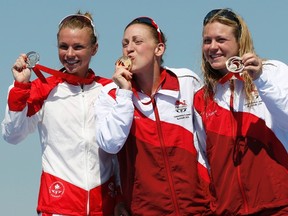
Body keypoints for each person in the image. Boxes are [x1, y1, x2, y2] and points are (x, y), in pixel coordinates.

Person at [2, 12, 118, 216]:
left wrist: (122, 197)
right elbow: (12, 135)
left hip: (105, 206)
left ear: (95, 49)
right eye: (63, 47)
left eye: (78, 47)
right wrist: (20, 87)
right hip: (58, 206)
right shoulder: (42, 88)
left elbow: (120, 152)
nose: (70, 54)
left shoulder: (109, 90)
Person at [94, 16, 212, 216]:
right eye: (125, 43)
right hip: (145, 210)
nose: (129, 48)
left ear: (159, 49)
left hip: (199, 208)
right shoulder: (111, 94)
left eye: (137, 41)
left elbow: (209, 142)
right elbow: (110, 144)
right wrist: (125, 93)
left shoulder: (186, 82)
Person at [193, 8, 288, 215]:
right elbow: (203, 159)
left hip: (279, 206)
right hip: (229, 210)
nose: (213, 47)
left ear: (239, 41)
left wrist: (260, 80)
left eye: (221, 39)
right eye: (207, 40)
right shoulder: (202, 98)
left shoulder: (272, 71)